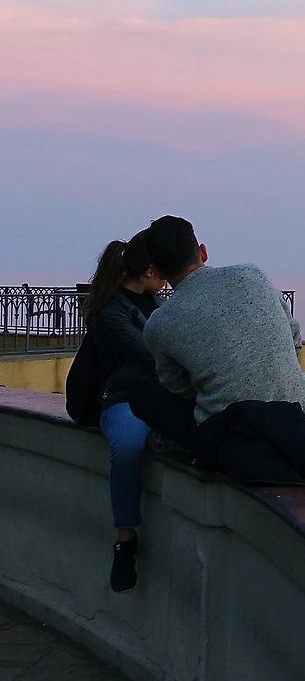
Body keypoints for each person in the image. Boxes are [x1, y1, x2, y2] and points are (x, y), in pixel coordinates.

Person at [141, 216, 305, 431]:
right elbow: (294, 340)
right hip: (296, 412)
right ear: (203, 252)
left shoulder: (159, 323)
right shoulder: (251, 274)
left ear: (157, 271)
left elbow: (179, 388)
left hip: (231, 429)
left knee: (143, 391)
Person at [81, 232, 173, 593]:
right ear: (149, 271)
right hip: (124, 399)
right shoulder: (110, 313)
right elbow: (152, 353)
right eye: (162, 270)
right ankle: (125, 540)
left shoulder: (157, 303)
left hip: (160, 395)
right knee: (127, 447)